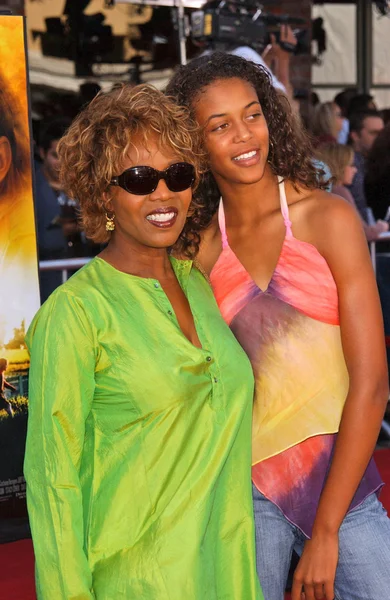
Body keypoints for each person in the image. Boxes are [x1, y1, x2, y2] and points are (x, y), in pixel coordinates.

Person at [24, 83, 263, 600]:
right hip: (133, 581)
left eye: (177, 174)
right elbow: (52, 481)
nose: (163, 194)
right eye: (138, 178)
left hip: (228, 572)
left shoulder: (199, 286)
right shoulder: (75, 315)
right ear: (103, 193)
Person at [167, 52, 390, 600]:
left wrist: (328, 530)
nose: (244, 135)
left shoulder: (328, 217)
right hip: (244, 497)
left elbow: (373, 384)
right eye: (219, 125)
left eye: (252, 114)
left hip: (344, 486)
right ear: (194, 142)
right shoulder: (194, 249)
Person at [34, 117, 95, 303]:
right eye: (55, 155)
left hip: (84, 276)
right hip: (47, 283)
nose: (62, 162)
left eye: (68, 154)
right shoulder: (30, 189)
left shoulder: (85, 183)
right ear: (42, 153)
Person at [316, 142, 388, 241]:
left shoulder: (323, 193)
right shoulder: (340, 192)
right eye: (351, 165)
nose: (355, 170)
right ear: (339, 166)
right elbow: (364, 233)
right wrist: (382, 226)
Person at [348, 109, 386, 228]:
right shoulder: (347, 165)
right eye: (374, 133)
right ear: (355, 136)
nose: (380, 138)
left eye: (382, 133)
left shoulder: (381, 162)